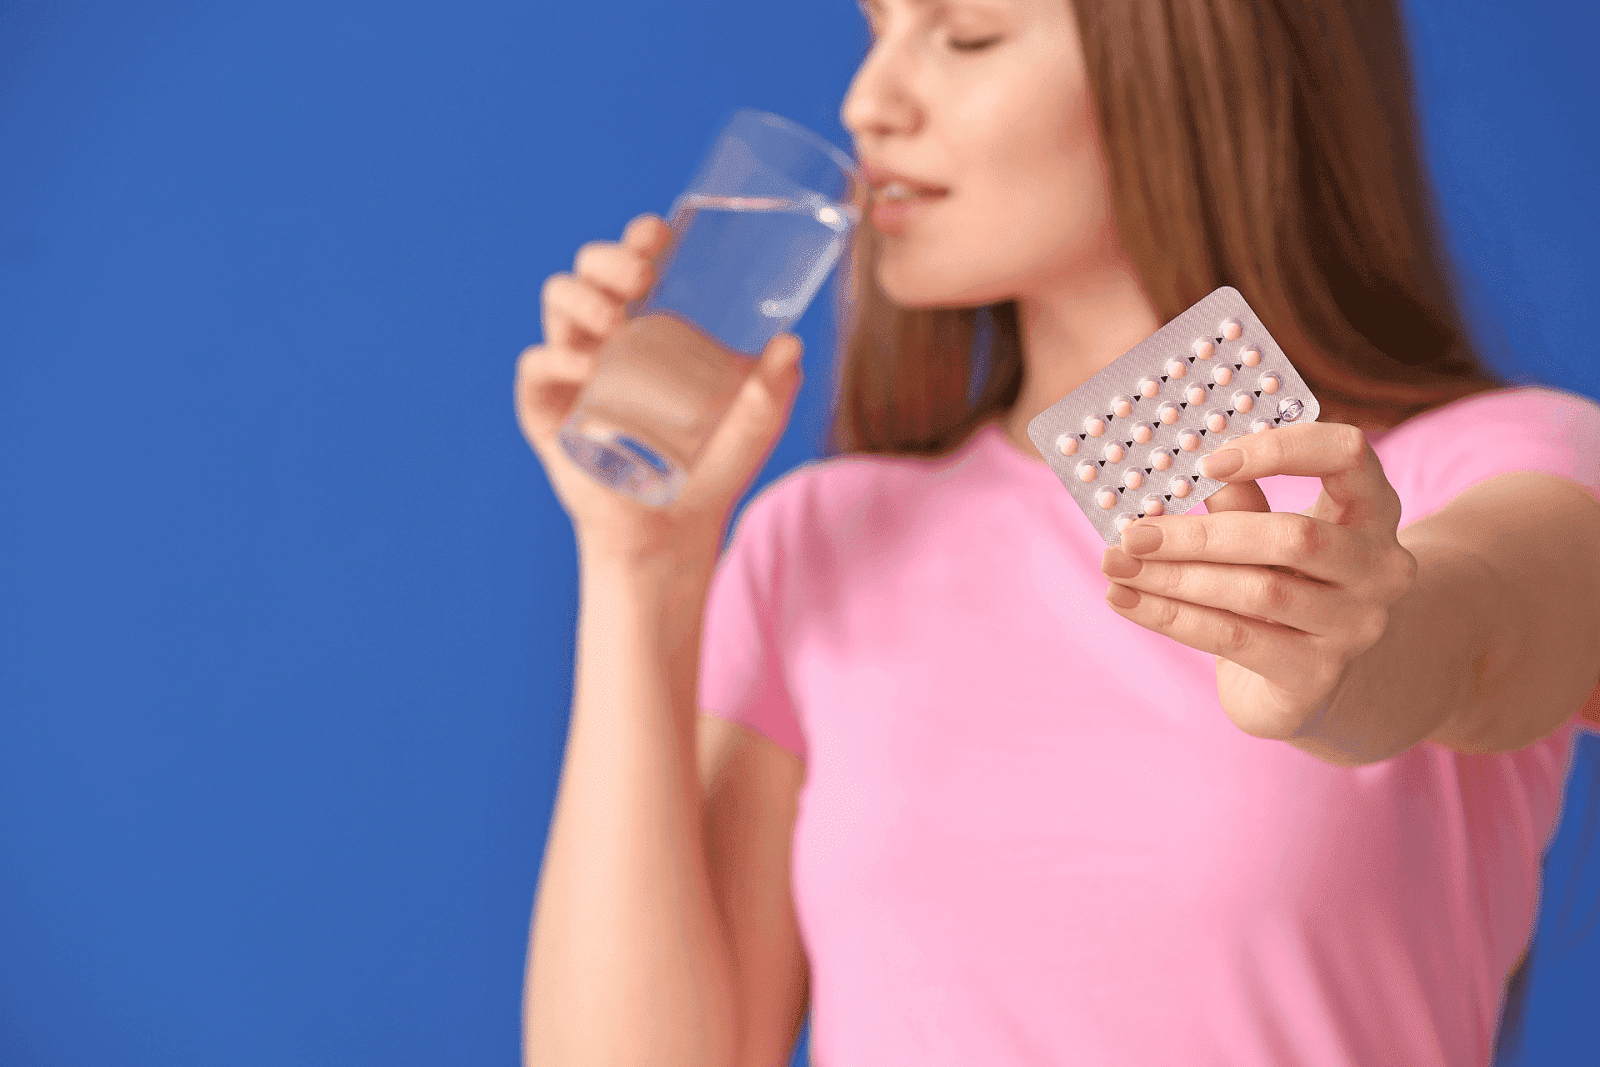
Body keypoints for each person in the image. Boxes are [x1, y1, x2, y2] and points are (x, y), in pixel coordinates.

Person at [516, 0, 1600, 1063]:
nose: (867, 102)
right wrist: (642, 561)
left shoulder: (1504, 463)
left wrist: (1345, 644)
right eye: (877, 29)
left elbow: (1477, 638)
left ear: (1194, 56)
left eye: (966, 35)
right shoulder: (821, 539)